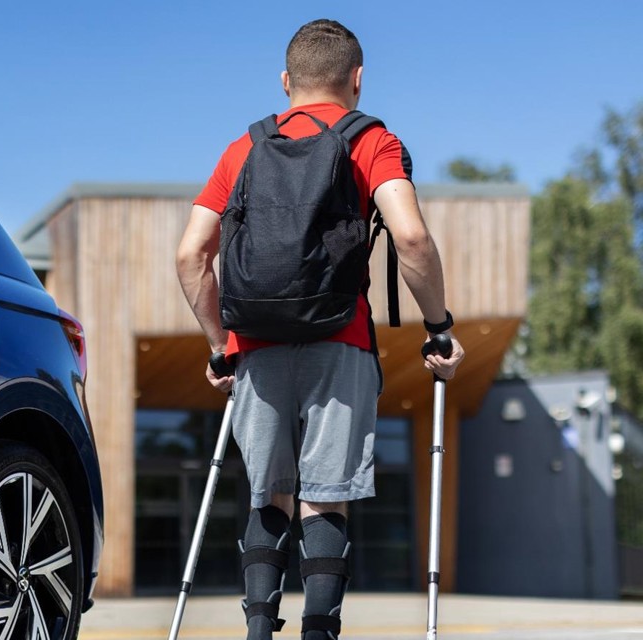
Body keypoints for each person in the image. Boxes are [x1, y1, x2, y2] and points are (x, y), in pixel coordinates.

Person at [175, 19, 465, 640]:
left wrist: (220, 347)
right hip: (341, 338)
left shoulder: (243, 149)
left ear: (286, 81)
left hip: (254, 342)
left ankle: (257, 629)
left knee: (268, 494)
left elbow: (191, 254)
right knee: (323, 496)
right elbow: (410, 238)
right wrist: (438, 327)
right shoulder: (372, 141)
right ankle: (319, 632)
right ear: (357, 79)